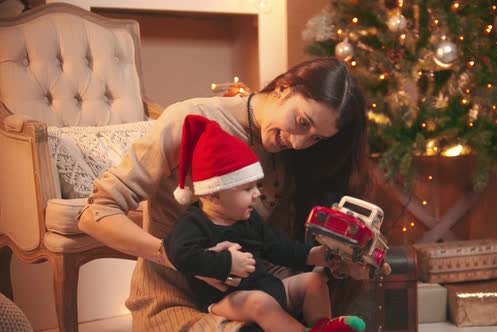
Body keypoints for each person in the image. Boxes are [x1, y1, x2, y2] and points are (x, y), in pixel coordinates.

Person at [78, 57, 393, 331]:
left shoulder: (290, 155)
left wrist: (338, 264)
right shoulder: (189, 120)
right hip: (172, 300)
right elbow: (95, 214)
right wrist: (183, 259)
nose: (299, 143)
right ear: (283, 87)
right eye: (301, 122)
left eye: (315, 139)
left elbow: (275, 249)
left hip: (254, 297)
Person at [164, 115, 366, 332]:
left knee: (314, 281)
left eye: (256, 186)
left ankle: (323, 326)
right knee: (260, 303)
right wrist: (227, 263)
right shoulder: (194, 223)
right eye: (246, 189)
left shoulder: (248, 218)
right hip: (228, 301)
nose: (256, 195)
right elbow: (180, 255)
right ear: (214, 195)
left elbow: (278, 246)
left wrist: (314, 255)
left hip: (269, 286)